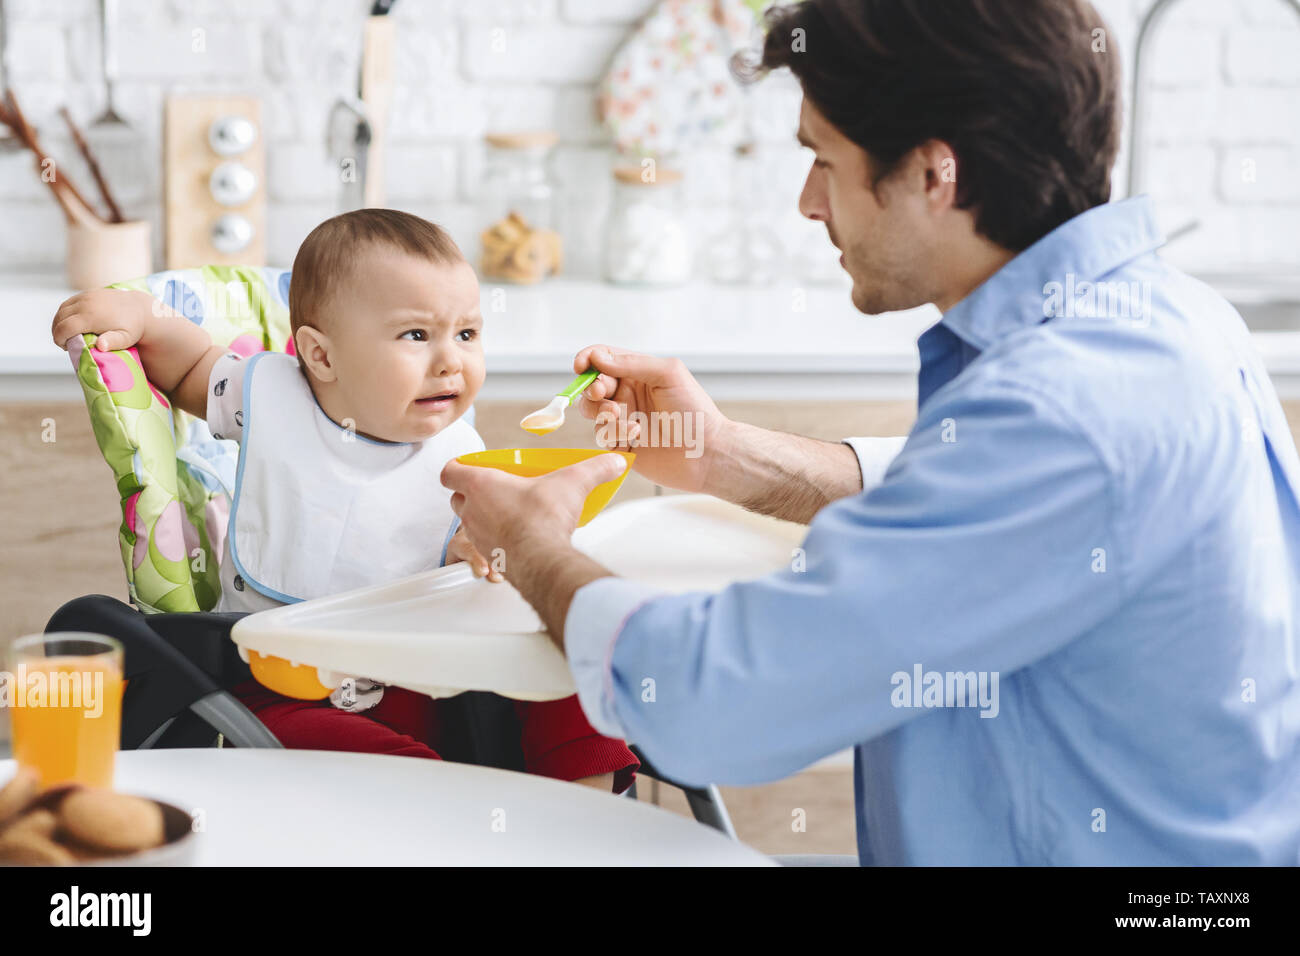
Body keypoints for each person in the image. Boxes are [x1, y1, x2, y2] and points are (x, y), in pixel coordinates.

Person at [441, 0, 1300, 863]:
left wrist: (534, 544)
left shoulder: (1061, 411)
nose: (808, 202)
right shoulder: (1169, 316)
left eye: (824, 158)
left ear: (935, 175)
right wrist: (729, 458)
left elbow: (709, 700)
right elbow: (989, 518)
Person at [51, 208, 638, 793]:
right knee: (375, 765)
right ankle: (446, 812)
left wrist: (478, 556)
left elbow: (468, 558)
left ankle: (582, 809)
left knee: (565, 649)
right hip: (288, 689)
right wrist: (141, 316)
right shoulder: (269, 397)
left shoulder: (461, 452)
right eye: (416, 335)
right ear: (322, 356)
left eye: (466, 333)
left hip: (432, 680)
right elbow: (191, 368)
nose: (450, 360)